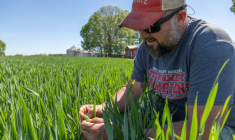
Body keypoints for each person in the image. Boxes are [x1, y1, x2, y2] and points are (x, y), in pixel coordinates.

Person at [80, 0, 235, 139]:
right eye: (139, 27)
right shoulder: (147, 46)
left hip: (220, 127)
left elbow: (203, 128)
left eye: (151, 26)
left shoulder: (211, 44)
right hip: (169, 121)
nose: (142, 35)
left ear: (180, 17)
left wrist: (121, 132)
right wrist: (101, 108)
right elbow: (133, 91)